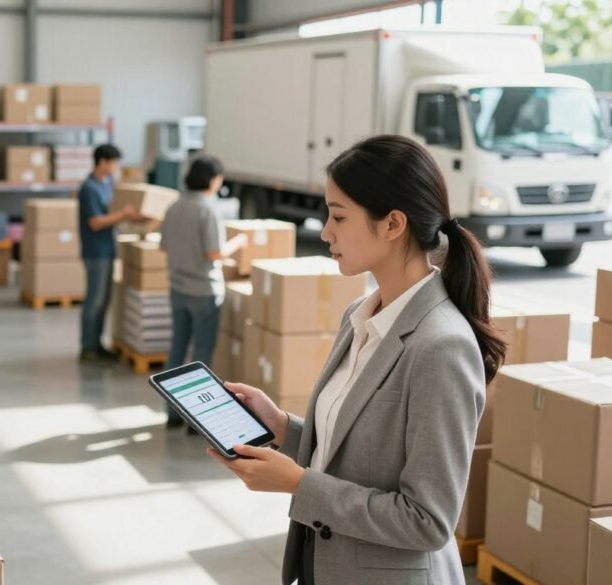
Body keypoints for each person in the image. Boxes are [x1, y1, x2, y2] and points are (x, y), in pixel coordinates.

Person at [208, 135, 505, 585]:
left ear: (392, 224)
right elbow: (350, 450)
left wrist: (297, 484)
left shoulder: (441, 346)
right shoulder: (359, 316)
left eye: (339, 216)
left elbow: (427, 520)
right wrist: (282, 427)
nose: (325, 231)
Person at [160, 155, 247, 429]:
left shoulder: (174, 207)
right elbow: (213, 254)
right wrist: (238, 243)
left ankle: (172, 413)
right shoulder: (207, 211)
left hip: (177, 287)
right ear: (212, 180)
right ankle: (195, 419)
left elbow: (164, 246)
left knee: (177, 350)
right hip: (203, 292)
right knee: (201, 355)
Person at [78, 144, 143, 361]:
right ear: (103, 162)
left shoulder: (106, 185)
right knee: (94, 300)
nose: (115, 167)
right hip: (95, 251)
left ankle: (97, 343)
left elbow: (111, 213)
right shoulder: (89, 188)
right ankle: (88, 346)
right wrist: (123, 214)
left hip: (107, 249)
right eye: (114, 162)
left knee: (104, 299)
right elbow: (96, 222)